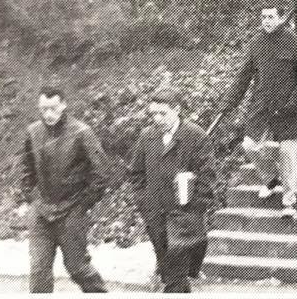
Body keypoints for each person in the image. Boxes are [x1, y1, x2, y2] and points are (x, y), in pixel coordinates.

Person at [220, 2, 297, 215]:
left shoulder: (295, 42)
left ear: (281, 18)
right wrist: (229, 102)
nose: (267, 21)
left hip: (290, 107)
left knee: (287, 152)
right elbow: (243, 76)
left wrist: (295, 103)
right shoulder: (255, 43)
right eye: (263, 17)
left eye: (271, 17)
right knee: (249, 145)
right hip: (262, 105)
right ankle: (271, 178)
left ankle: (289, 200)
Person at [17, 87, 110, 294]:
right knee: (39, 271)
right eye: (43, 109)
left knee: (77, 268)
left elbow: (102, 172)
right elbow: (25, 168)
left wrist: (82, 204)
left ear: (64, 105)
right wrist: (32, 197)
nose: (48, 114)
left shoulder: (81, 132)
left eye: (53, 108)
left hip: (71, 212)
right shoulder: (33, 131)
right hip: (41, 213)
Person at [128, 88, 215, 293]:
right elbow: (136, 174)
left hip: (184, 216)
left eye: (162, 113)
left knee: (175, 270)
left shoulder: (195, 136)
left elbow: (208, 176)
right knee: (172, 272)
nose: (157, 119)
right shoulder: (147, 136)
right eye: (153, 114)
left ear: (177, 110)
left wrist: (194, 209)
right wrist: (144, 203)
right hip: (156, 214)